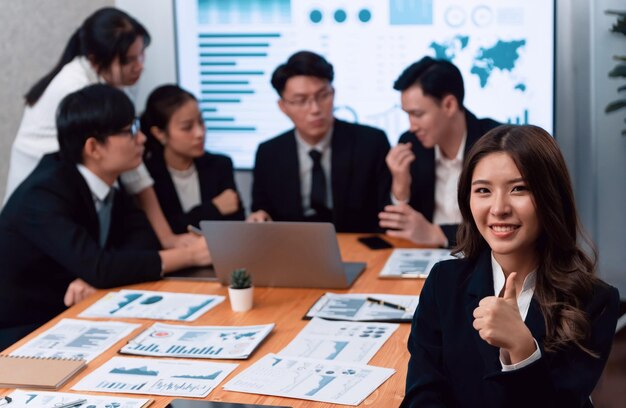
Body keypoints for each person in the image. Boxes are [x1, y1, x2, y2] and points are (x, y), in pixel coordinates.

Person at [401, 125, 620, 407]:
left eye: (519, 189)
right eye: (483, 190)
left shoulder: (595, 301)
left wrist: (523, 349)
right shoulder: (443, 282)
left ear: (551, 196)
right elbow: (422, 394)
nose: (499, 208)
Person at [0, 84, 211, 350]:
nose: (142, 138)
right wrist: (190, 255)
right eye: (130, 131)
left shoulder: (108, 179)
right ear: (94, 147)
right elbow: (99, 266)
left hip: (76, 315)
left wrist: (96, 275)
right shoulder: (43, 194)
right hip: (22, 331)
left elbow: (142, 238)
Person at [4, 7, 188, 248]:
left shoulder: (110, 81)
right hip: (42, 207)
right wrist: (168, 239)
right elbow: (134, 171)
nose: (139, 66)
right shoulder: (77, 89)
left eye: (141, 55)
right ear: (95, 59)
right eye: (129, 60)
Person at [249, 51, 391, 232]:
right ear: (282, 106)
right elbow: (262, 209)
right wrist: (259, 218)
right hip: (294, 249)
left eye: (323, 95)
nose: (315, 109)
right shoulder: (269, 153)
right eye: (301, 100)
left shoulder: (370, 143)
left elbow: (384, 214)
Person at [379, 57, 500, 247]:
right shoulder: (411, 144)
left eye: (417, 114)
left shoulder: (497, 144)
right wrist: (400, 187)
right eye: (407, 115)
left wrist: (438, 233)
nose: (412, 126)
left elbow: (504, 221)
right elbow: (394, 227)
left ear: (449, 105)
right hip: (425, 256)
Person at [141, 84, 245, 234]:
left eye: (201, 122)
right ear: (159, 133)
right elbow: (158, 232)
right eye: (187, 127)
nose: (199, 133)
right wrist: (213, 208)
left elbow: (235, 225)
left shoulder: (220, 165)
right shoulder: (147, 175)